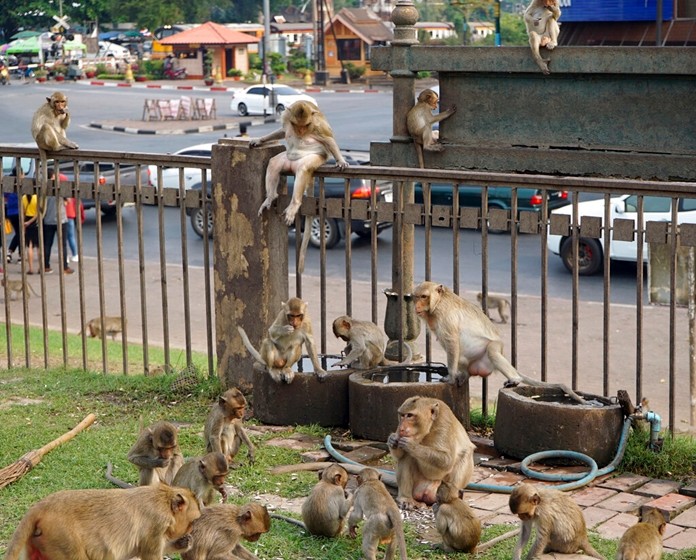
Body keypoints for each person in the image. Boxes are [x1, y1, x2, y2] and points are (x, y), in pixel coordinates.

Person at [42, 180, 74, 275]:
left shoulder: (44, 188)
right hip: (61, 219)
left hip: (48, 219)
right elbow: (68, 201)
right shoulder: (60, 187)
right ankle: (64, 267)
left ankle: (46, 266)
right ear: (53, 176)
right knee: (62, 245)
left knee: (47, 244)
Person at [5, 167, 23, 264]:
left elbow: (5, 197)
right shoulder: (21, 183)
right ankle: (20, 255)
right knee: (20, 233)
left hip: (10, 212)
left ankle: (10, 253)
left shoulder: (8, 183)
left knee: (18, 233)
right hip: (19, 212)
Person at [21, 191, 40, 274]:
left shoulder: (23, 198)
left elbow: (23, 213)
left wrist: (25, 223)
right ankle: (41, 267)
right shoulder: (37, 197)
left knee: (29, 246)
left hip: (27, 220)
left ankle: (31, 268)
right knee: (39, 247)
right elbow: (38, 214)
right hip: (35, 222)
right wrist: (31, 222)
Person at [65, 197, 83, 262]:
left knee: (63, 238)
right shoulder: (71, 190)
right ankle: (75, 255)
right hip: (71, 215)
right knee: (71, 236)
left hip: (62, 216)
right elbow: (78, 203)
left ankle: (65, 256)